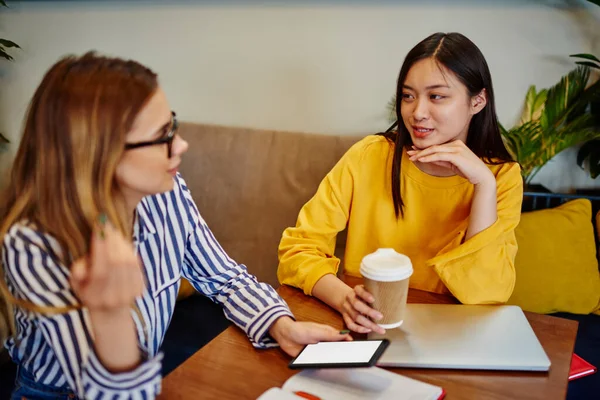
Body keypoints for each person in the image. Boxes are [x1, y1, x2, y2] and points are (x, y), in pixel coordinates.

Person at [0, 52, 351, 400]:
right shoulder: (33, 246)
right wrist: (111, 316)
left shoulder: (164, 192)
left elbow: (224, 277)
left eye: (174, 126)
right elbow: (105, 392)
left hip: (145, 375)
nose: (181, 145)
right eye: (162, 136)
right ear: (100, 153)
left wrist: (282, 326)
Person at [278, 32, 523, 336]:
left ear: (477, 101)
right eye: (408, 96)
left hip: (452, 336)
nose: (417, 112)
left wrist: (483, 185)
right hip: (369, 326)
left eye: (436, 96)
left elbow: (487, 294)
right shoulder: (370, 156)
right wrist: (345, 299)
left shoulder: (501, 178)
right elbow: (298, 250)